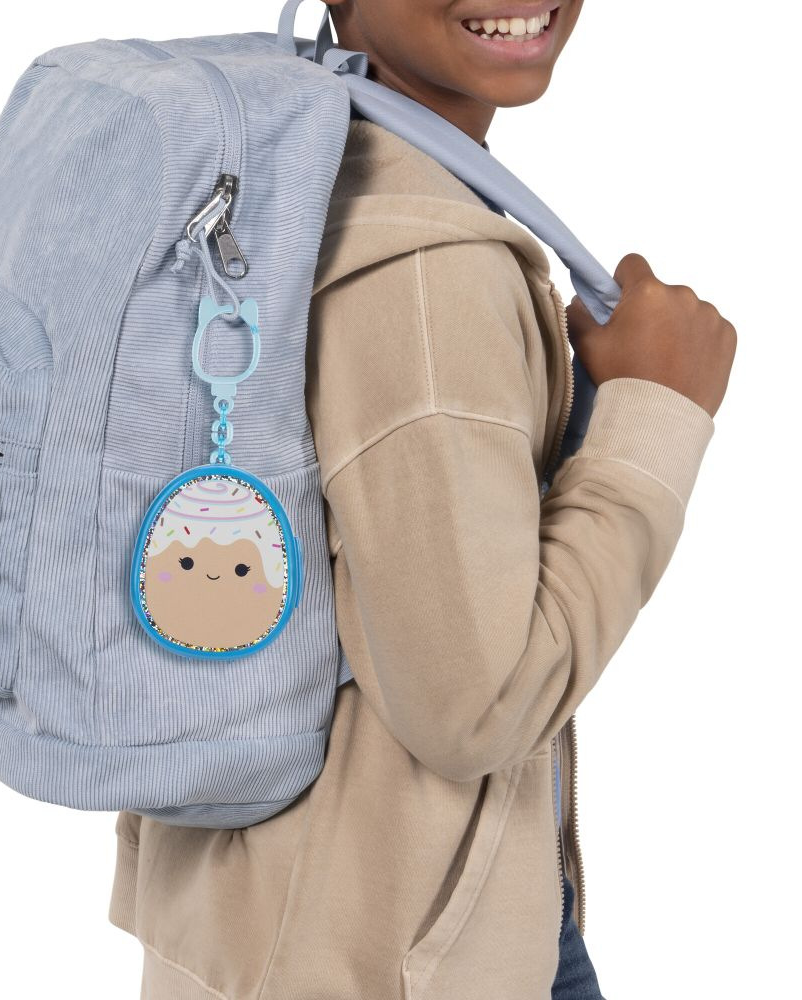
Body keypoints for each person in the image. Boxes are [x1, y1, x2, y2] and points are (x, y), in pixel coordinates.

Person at [107, 2, 737, 998]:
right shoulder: (424, 268)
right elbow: (473, 710)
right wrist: (658, 412)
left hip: (267, 918)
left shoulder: (283, 169)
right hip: (381, 957)